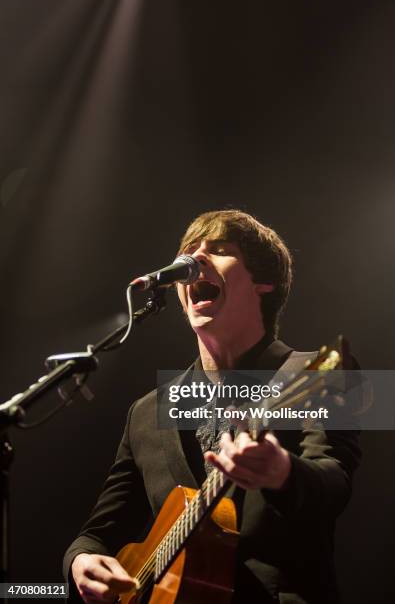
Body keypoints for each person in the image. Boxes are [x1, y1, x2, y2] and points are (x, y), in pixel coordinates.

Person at [63, 209, 361, 603]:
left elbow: (335, 483)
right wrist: (80, 561)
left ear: (264, 282)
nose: (196, 259)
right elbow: (100, 532)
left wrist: (283, 473)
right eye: (189, 251)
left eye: (219, 249)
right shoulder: (147, 412)